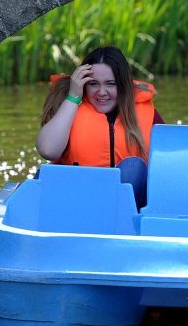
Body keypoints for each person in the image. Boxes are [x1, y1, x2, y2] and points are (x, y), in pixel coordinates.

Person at [36, 46, 162, 208]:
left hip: (125, 209)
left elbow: (166, 168)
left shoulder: (149, 114)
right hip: (77, 202)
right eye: (94, 84)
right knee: (45, 174)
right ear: (83, 85)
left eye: (110, 84)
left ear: (123, 86)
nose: (102, 92)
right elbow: (48, 150)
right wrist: (73, 96)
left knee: (133, 166)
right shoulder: (68, 108)